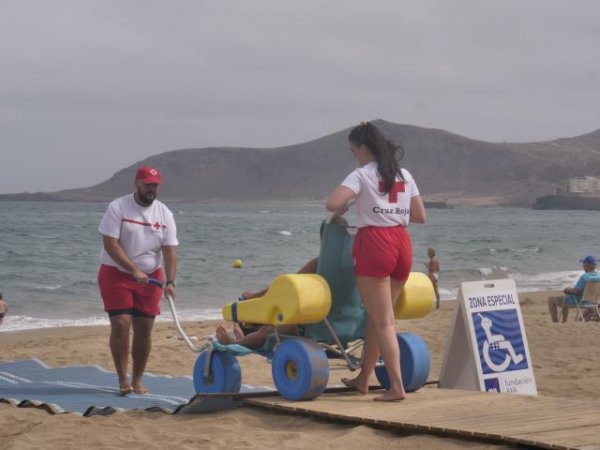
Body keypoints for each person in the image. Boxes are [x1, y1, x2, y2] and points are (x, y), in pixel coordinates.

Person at [325, 121, 426, 402]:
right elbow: (419, 216)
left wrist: (353, 204)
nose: (353, 154)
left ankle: (396, 387)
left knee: (383, 322)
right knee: (378, 318)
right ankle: (363, 379)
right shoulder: (404, 174)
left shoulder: (361, 174)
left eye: (353, 149)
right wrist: (391, 208)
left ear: (363, 147)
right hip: (401, 243)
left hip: (375, 243)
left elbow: (332, 203)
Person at [97, 166, 178, 395]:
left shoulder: (164, 214)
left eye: (155, 185)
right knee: (122, 324)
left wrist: (170, 282)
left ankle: (138, 379)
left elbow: (170, 251)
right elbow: (110, 245)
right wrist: (133, 270)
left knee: (144, 328)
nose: (152, 188)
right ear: (137, 184)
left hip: (152, 277)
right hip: (116, 273)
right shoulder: (118, 207)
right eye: (148, 184)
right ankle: (123, 379)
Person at [548, 256, 600, 323]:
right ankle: (564, 322)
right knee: (565, 298)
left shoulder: (585, 277)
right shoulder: (599, 276)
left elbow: (575, 291)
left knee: (551, 299)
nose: (582, 265)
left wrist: (567, 289)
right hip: (591, 301)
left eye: (583, 263)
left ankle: (555, 322)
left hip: (578, 301)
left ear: (587, 265)